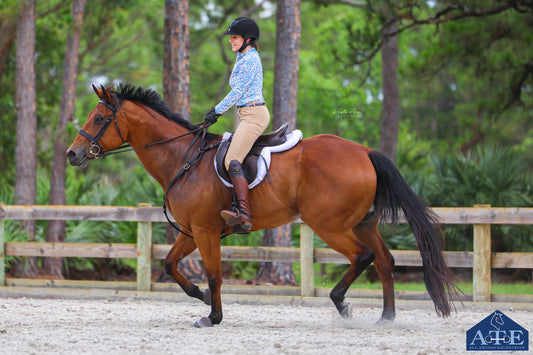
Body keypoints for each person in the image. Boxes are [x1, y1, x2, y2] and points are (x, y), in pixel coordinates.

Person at [204, 17, 270, 232]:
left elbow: (238, 91)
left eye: (235, 37)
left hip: (254, 115)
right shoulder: (242, 56)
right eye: (231, 37)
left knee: (232, 160)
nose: (231, 41)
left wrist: (217, 110)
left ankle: (244, 214)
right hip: (246, 114)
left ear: (247, 39)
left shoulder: (251, 59)